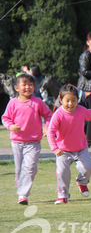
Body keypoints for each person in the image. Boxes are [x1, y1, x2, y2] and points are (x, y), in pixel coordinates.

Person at [47, 85, 91, 205]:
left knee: (89, 167)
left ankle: (82, 182)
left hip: (80, 149)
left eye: (74, 100)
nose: (70, 104)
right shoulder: (58, 114)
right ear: (61, 100)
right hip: (63, 150)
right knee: (62, 172)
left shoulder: (81, 111)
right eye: (67, 101)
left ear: (78, 100)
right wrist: (55, 148)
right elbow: (50, 132)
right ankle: (63, 195)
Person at [1, 74, 52, 205]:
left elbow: (48, 115)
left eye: (30, 85)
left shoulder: (37, 102)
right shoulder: (13, 103)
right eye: (24, 85)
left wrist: (47, 127)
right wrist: (11, 126)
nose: (27, 87)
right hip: (17, 142)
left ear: (34, 87)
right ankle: (21, 190)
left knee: (30, 168)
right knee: (19, 169)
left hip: (33, 142)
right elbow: (5, 118)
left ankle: (23, 194)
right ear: (17, 88)